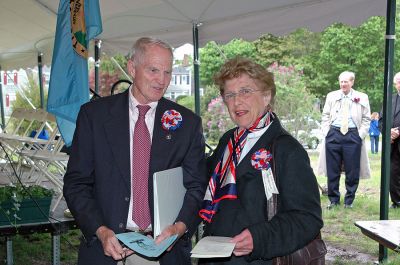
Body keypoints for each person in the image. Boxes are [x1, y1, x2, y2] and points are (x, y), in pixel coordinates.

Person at [63, 37, 207, 265]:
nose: (162, 80)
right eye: (153, 70)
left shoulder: (187, 123)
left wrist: (179, 228)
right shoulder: (94, 116)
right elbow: (76, 183)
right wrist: (100, 231)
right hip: (107, 248)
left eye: (167, 72)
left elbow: (197, 187)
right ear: (132, 68)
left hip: (162, 250)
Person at [198, 57, 323, 264]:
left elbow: (307, 218)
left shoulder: (286, 149)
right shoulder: (228, 140)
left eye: (246, 91)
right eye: (230, 94)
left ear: (266, 95)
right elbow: (204, 183)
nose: (237, 101)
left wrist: (259, 238)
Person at [317, 71, 371, 209]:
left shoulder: (362, 97)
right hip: (334, 133)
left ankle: (349, 201)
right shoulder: (332, 96)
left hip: (353, 135)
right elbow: (325, 115)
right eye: (341, 82)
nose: (343, 84)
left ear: (352, 82)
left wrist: (360, 135)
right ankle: (333, 200)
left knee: (352, 169)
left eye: (346, 82)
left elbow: (366, 119)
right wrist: (326, 132)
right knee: (332, 169)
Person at [379, 72, 400, 209]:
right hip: (392, 144)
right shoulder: (389, 100)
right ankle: (397, 201)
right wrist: (388, 132)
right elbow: (381, 120)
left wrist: (398, 132)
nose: (399, 85)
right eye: (397, 82)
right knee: (393, 173)